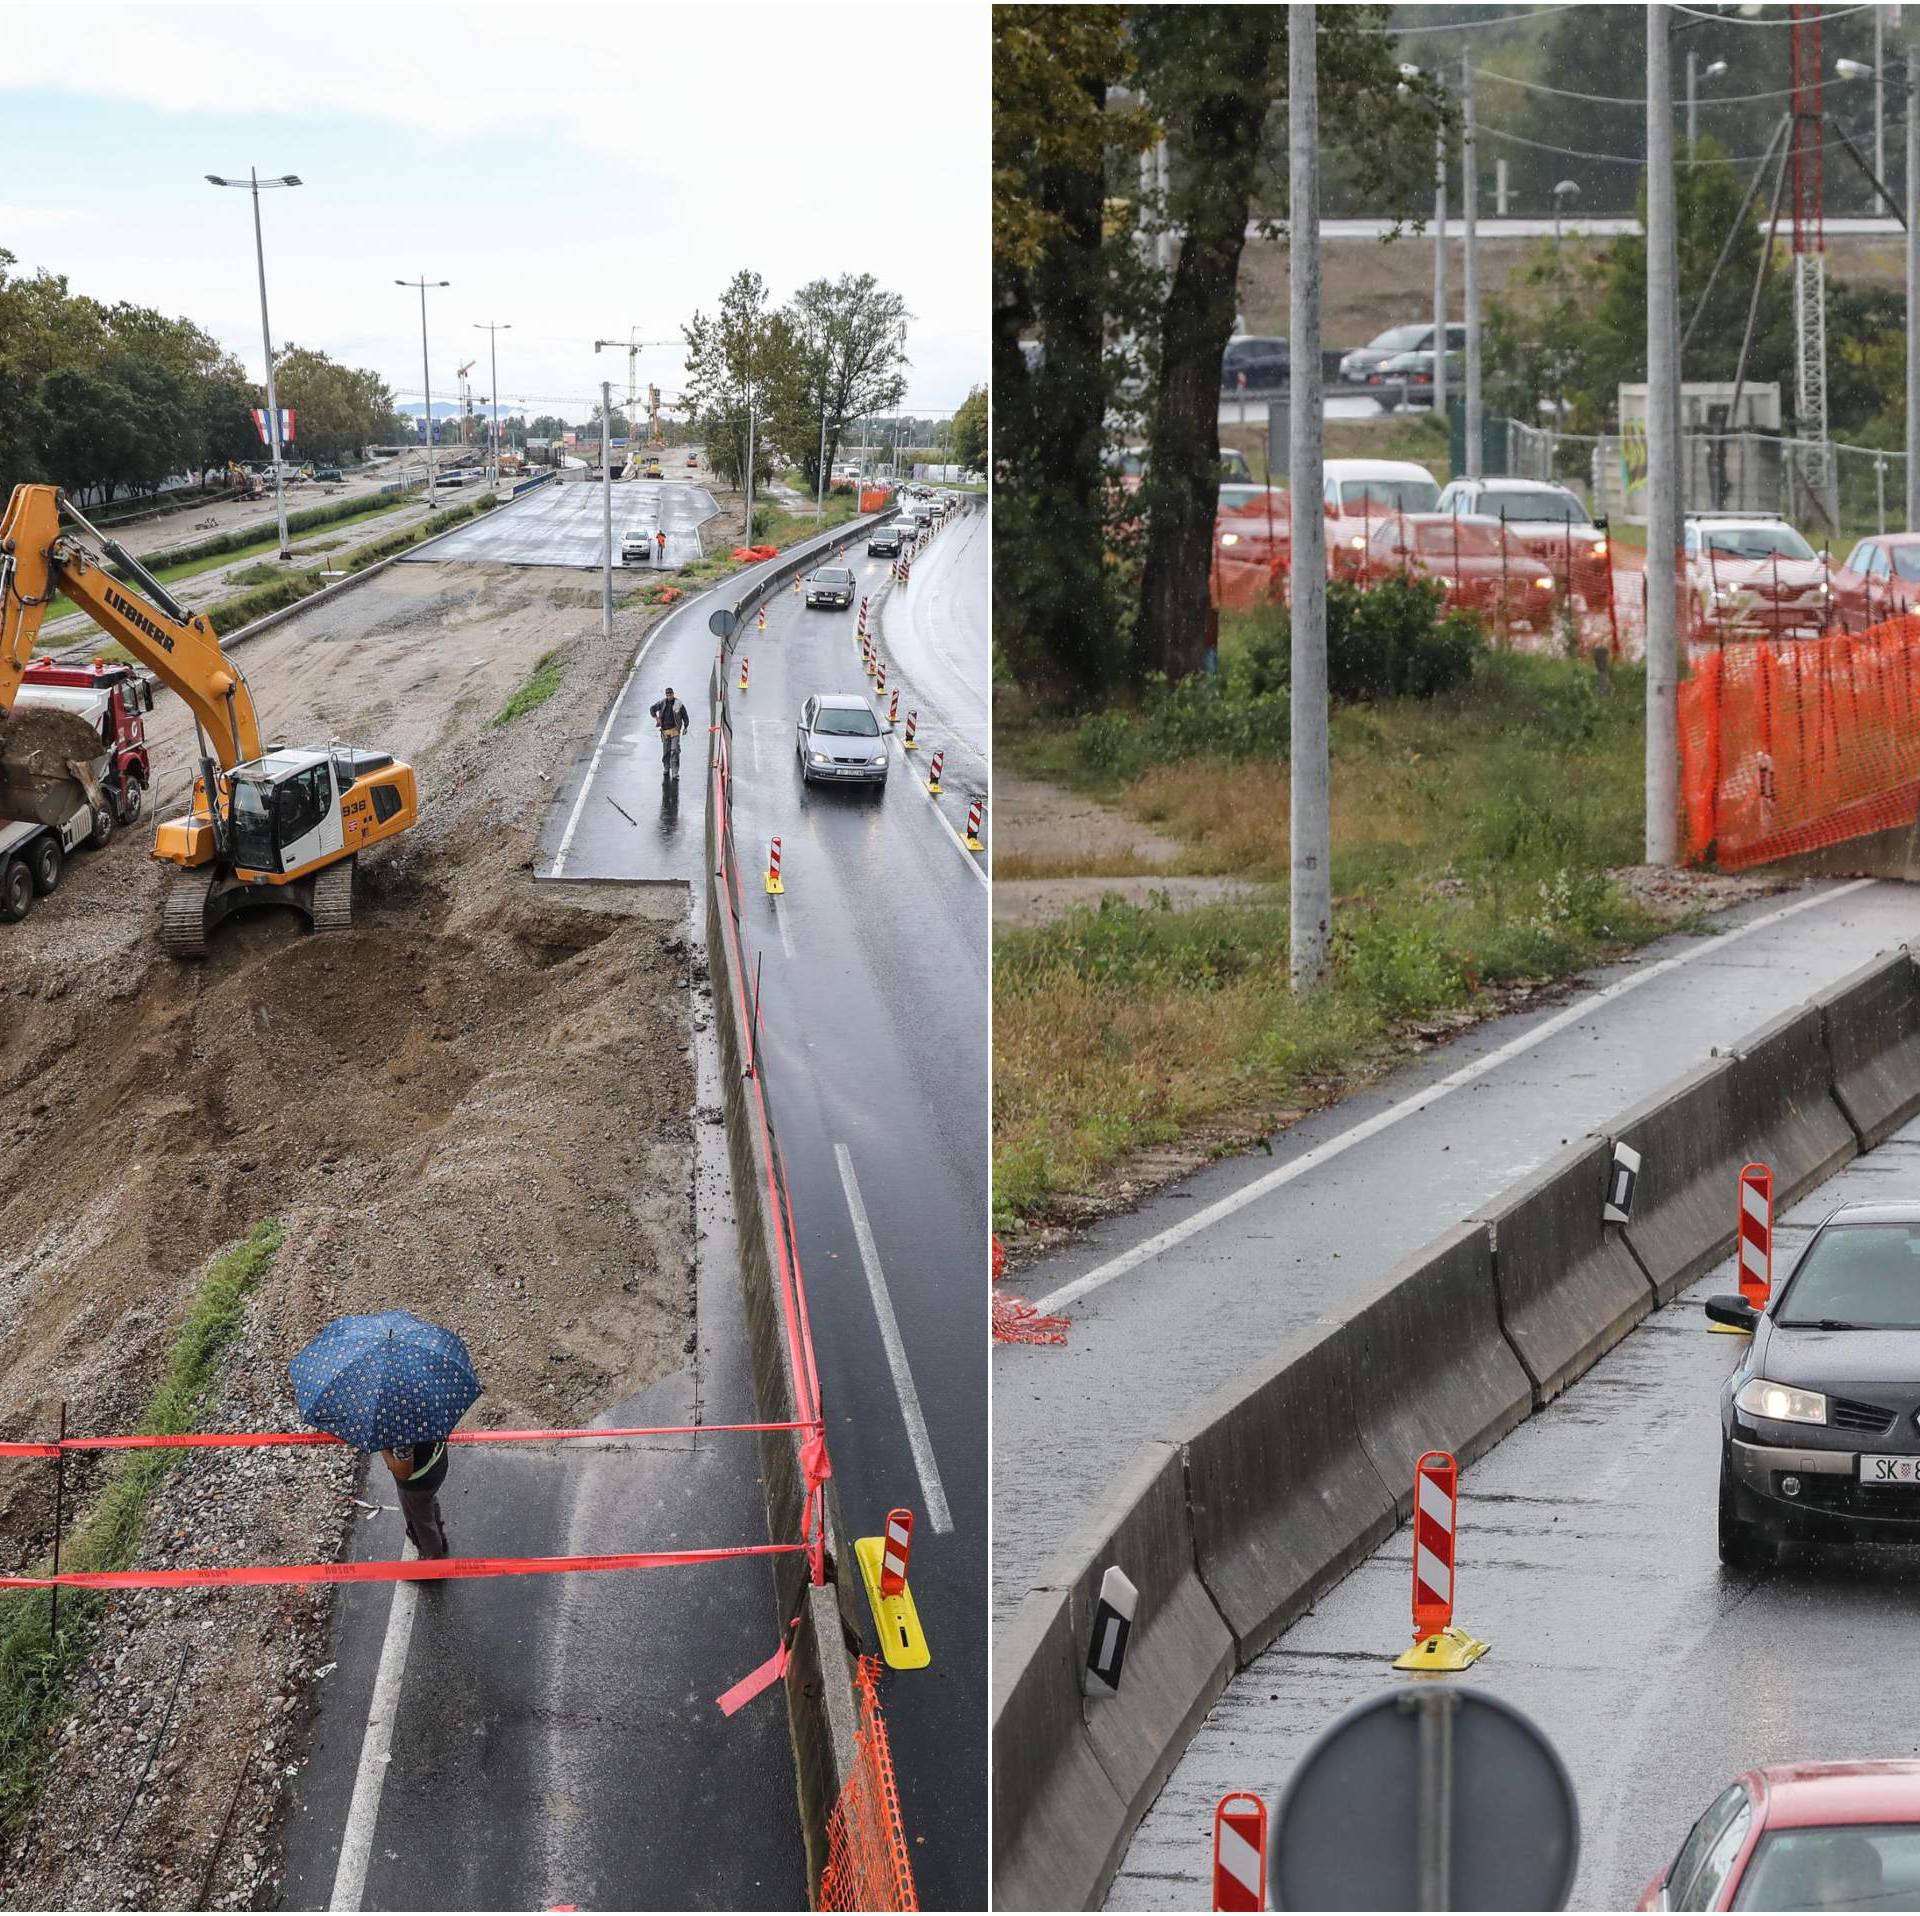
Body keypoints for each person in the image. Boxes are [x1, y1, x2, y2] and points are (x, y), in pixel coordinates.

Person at [382, 1436, 450, 1559]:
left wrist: (383, 1449)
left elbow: (403, 1472)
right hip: (436, 1462)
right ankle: (439, 1535)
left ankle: (433, 1562)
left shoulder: (400, 1431)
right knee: (427, 1502)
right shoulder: (418, 1419)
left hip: (416, 1484)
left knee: (421, 1525)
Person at [649, 686, 689, 775]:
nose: (669, 696)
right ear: (666, 695)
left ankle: (675, 772)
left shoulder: (678, 704)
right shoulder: (662, 703)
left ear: (673, 694)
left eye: (670, 694)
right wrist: (657, 719)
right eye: (667, 695)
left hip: (675, 731)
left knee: (674, 751)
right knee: (666, 752)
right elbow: (652, 709)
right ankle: (666, 768)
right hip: (665, 732)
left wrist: (685, 727)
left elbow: (685, 716)